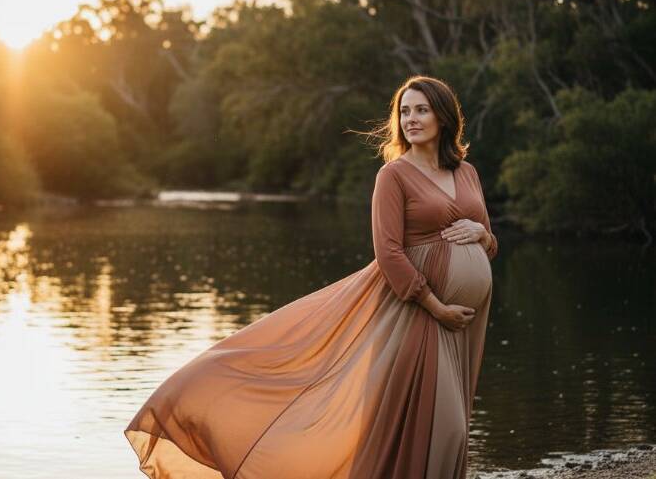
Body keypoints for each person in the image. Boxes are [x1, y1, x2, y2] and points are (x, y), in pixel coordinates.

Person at [124, 75, 498, 479]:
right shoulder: (394, 176)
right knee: (446, 428)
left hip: (464, 321)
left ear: (443, 116)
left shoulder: (467, 173)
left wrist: (482, 234)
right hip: (420, 314)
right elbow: (387, 252)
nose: (410, 119)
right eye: (404, 111)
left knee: (449, 424)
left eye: (421, 109)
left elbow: (490, 243)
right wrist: (435, 305)